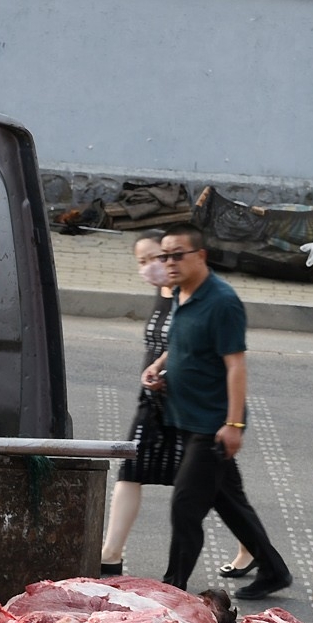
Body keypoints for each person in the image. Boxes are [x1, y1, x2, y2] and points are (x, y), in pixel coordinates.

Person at [145, 224, 291, 599]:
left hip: (212, 424)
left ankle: (172, 587)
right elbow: (183, 343)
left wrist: (234, 423)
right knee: (229, 502)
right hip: (188, 416)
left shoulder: (222, 301)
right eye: (165, 255)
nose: (170, 262)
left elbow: (235, 365)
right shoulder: (181, 293)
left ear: (200, 256)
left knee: (185, 506)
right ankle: (273, 570)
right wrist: (160, 367)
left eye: (178, 254)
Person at [101, 233, 251, 578]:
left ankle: (246, 554)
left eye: (162, 257)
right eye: (144, 261)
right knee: (135, 469)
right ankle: (111, 552)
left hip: (194, 406)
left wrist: (234, 422)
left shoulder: (200, 297)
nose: (157, 266)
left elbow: (231, 362)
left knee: (209, 493)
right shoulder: (170, 292)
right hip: (158, 400)